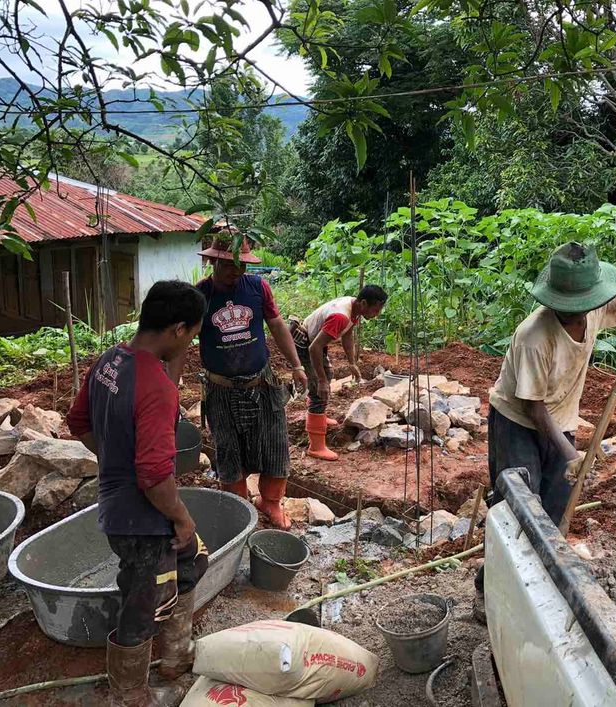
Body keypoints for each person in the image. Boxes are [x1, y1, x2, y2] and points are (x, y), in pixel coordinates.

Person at [473, 242, 616, 619]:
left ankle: (538, 579)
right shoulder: (534, 336)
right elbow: (532, 406)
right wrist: (571, 454)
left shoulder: (594, 308)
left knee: (555, 504)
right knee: (517, 508)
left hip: (561, 419)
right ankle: (488, 587)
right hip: (517, 421)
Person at [67, 280, 210, 706]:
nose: (192, 342)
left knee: (193, 560)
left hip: (119, 504)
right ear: (179, 330)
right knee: (142, 603)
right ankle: (130, 693)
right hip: (140, 520)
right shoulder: (156, 386)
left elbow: (78, 422)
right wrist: (182, 516)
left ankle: (176, 657)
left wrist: (114, 456)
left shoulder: (110, 362)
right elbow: (152, 475)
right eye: (194, 334)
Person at [167, 236, 308, 531]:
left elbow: (277, 325)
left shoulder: (258, 287)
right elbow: (181, 345)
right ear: (214, 260)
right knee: (229, 452)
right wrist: (171, 388)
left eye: (241, 265)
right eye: (231, 265)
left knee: (276, 446)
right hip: (221, 388)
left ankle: (270, 502)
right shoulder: (200, 295)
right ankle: (240, 510)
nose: (237, 271)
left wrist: (296, 365)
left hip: (262, 383)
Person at [289, 285, 388, 461]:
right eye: (375, 310)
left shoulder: (354, 308)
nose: (376, 314)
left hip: (315, 341)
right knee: (320, 388)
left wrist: (352, 362)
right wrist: (319, 380)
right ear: (364, 303)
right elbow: (314, 348)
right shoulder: (340, 316)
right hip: (305, 344)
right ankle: (316, 446)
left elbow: (347, 335)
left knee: (327, 376)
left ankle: (318, 416)